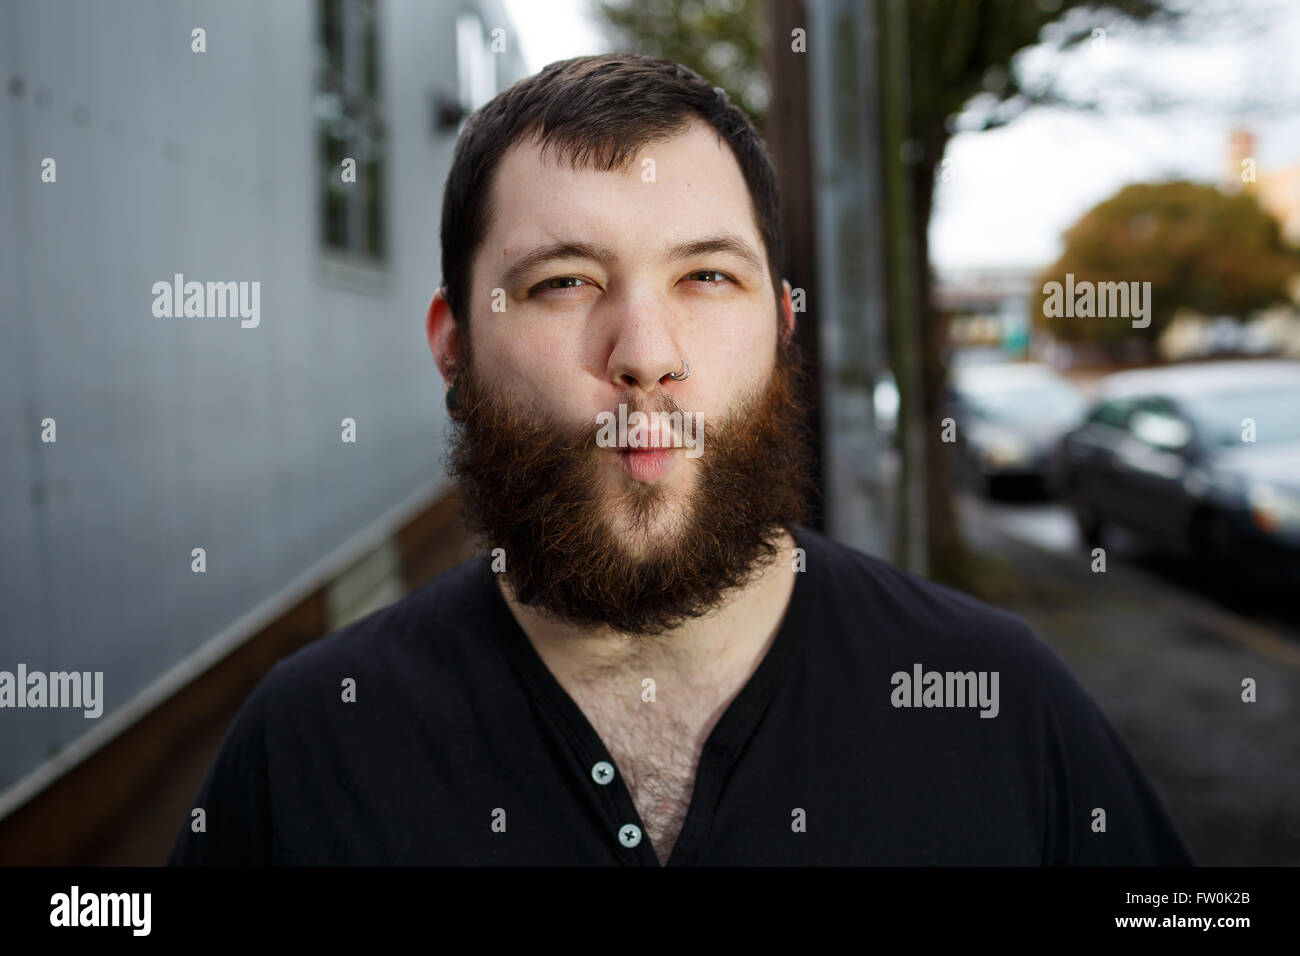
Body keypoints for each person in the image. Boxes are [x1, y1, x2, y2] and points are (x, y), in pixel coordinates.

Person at [168, 53, 1194, 866]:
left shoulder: (995, 697)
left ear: (784, 324)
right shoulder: (308, 746)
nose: (646, 355)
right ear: (453, 342)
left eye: (706, 275)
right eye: (564, 282)